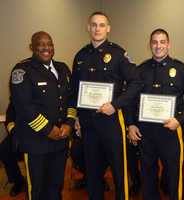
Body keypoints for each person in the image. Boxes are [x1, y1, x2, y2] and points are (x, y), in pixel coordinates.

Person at [69, 11, 140, 200]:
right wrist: (75, 116)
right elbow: (74, 90)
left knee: (119, 170)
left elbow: (135, 83)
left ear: (108, 29)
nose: (97, 28)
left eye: (101, 25)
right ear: (88, 27)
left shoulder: (118, 54)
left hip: (111, 122)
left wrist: (115, 105)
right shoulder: (80, 56)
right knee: (92, 172)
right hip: (88, 124)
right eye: (94, 24)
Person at [127, 28, 184, 200]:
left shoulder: (180, 69)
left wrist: (180, 120)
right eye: (154, 42)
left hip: (171, 133)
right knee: (148, 178)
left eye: (162, 42)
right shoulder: (140, 70)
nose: (158, 46)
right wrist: (131, 124)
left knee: (174, 179)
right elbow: (130, 99)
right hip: (145, 134)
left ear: (168, 44)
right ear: (150, 45)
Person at [10, 31, 75, 200]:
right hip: (36, 141)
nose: (46, 48)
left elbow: (70, 99)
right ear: (32, 47)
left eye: (49, 44)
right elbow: (24, 107)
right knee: (37, 189)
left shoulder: (63, 68)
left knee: (56, 186)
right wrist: (47, 129)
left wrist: (69, 122)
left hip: (60, 139)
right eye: (41, 44)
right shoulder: (22, 70)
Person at [0, 102, 25, 197]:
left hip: (39, 134)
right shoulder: (16, 96)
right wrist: (15, 133)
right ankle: (18, 181)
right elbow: (9, 119)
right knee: (4, 149)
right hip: (19, 133)